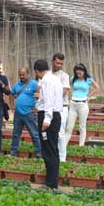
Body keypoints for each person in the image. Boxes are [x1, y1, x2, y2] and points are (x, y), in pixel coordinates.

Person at [34, 59, 63, 189]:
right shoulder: (54, 78)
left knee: (48, 150)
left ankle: (51, 183)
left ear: (37, 71)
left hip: (49, 117)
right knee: (52, 149)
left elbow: (49, 101)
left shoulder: (47, 81)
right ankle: (51, 180)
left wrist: (47, 120)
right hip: (54, 115)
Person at [63, 63, 101, 159]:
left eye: (80, 71)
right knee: (69, 127)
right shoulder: (73, 79)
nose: (78, 72)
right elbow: (67, 87)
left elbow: (97, 87)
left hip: (83, 104)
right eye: (77, 71)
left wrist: (89, 97)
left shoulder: (88, 79)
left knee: (82, 126)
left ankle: (81, 146)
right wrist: (70, 94)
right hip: (73, 104)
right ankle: (63, 146)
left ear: (84, 71)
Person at [9, 67, 41, 158]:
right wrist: (12, 107)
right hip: (18, 114)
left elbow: (41, 95)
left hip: (29, 114)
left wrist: (37, 108)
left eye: (23, 75)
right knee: (16, 134)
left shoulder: (34, 84)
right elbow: (11, 95)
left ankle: (39, 153)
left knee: (34, 134)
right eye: (20, 75)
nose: (21, 76)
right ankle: (13, 152)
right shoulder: (17, 84)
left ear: (28, 74)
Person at [49, 53, 71, 162]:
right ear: (53, 61)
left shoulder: (64, 76)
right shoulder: (48, 74)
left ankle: (62, 158)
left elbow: (63, 92)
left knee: (60, 133)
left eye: (61, 64)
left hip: (62, 107)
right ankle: (52, 155)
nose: (59, 65)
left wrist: (50, 99)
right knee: (50, 132)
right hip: (49, 108)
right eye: (57, 63)